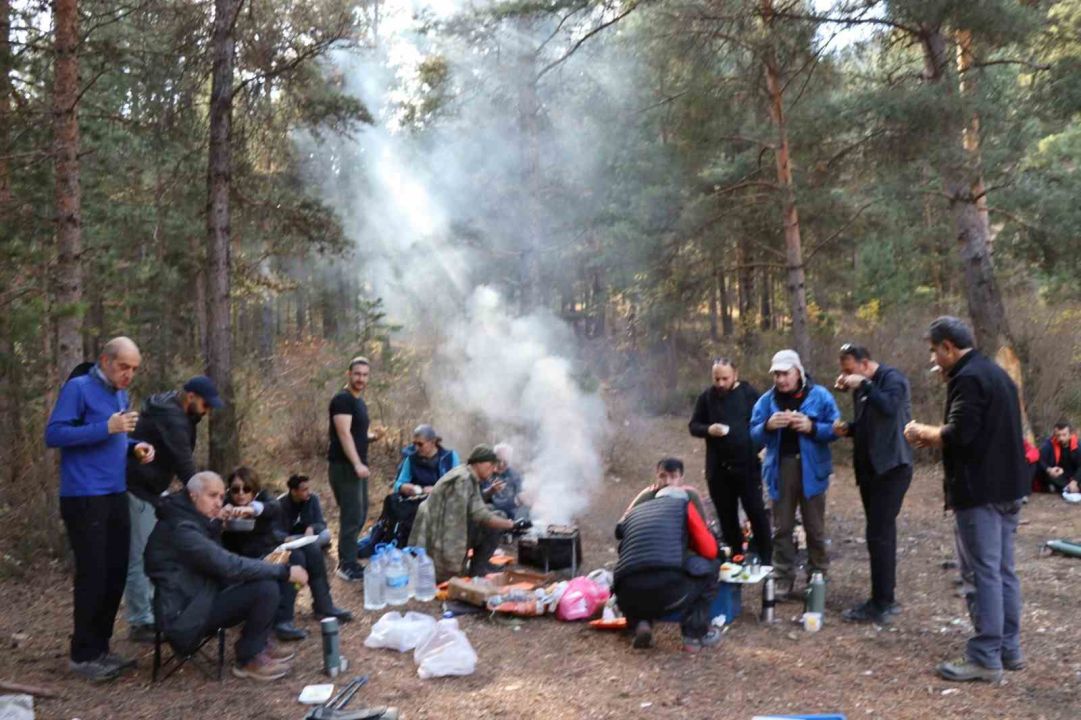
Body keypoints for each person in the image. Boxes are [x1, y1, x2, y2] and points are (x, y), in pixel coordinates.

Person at [904, 316, 1028, 684]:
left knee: (981, 572)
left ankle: (986, 656)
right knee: (1002, 570)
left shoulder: (969, 378)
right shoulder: (996, 373)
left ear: (948, 347)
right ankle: (1008, 648)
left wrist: (922, 431)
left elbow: (960, 433)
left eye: (934, 351)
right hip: (1009, 487)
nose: (933, 359)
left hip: (980, 491)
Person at [45, 337, 155, 682]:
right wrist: (105, 428)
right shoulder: (78, 388)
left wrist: (134, 446)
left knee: (116, 571)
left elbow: (115, 436)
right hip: (83, 495)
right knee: (92, 573)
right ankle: (82, 655)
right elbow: (55, 434)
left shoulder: (119, 393)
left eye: (134, 369)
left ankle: (101, 648)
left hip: (115, 491)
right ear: (105, 361)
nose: (129, 375)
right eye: (123, 367)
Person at [144, 472, 307, 681]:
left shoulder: (189, 518)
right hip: (184, 614)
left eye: (221, 497)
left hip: (199, 596)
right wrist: (284, 572)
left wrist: (216, 524)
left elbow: (216, 563)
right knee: (265, 588)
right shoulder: (182, 529)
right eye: (212, 496)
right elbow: (227, 565)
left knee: (264, 580)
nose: (218, 503)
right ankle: (249, 659)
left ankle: (258, 645)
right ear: (193, 495)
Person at [123, 375, 223, 643]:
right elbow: (184, 465)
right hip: (137, 490)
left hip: (154, 491)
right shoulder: (173, 418)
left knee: (158, 553)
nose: (207, 411)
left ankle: (158, 613)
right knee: (139, 556)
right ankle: (140, 621)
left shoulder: (175, 410)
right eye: (205, 405)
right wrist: (204, 500)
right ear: (190, 396)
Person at [221, 467, 352, 643]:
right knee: (296, 558)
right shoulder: (225, 505)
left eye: (246, 489)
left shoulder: (262, 499)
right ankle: (283, 620)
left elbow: (274, 507)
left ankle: (323, 605)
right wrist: (225, 514)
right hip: (246, 559)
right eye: (236, 489)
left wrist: (252, 509)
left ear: (254, 489)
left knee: (312, 548)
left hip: (270, 549)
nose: (241, 494)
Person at [831, 344, 913, 624]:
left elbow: (890, 408)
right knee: (877, 533)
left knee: (880, 533)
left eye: (849, 371)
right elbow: (871, 425)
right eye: (844, 372)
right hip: (870, 470)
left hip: (892, 468)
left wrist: (863, 384)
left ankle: (882, 603)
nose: (846, 377)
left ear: (865, 364)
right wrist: (849, 429)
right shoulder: (862, 389)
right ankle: (883, 597)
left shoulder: (892, 379)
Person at [749, 349, 840, 600]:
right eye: (776, 374)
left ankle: (817, 576)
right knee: (782, 527)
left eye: (785, 374)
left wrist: (812, 427)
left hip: (812, 467)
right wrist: (767, 426)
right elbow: (753, 433)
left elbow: (837, 428)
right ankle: (782, 578)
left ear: (798, 372)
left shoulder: (820, 396)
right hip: (781, 468)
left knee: (815, 527)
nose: (780, 379)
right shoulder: (767, 401)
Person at [613, 485, 721, 653]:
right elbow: (710, 550)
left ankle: (640, 623)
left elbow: (624, 549)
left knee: (638, 569)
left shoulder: (635, 512)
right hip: (668, 590)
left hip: (626, 596)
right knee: (711, 566)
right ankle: (693, 634)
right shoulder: (683, 506)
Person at [688, 357, 771, 562]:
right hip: (718, 468)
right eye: (716, 379)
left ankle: (766, 559)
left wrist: (761, 447)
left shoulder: (749, 394)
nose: (720, 383)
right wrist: (709, 429)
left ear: (735, 375)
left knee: (756, 512)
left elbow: (764, 423)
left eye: (725, 378)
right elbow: (694, 426)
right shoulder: (707, 397)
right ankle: (736, 557)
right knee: (726, 517)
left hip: (747, 465)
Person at [408, 444, 529, 581]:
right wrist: (510, 525)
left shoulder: (465, 473)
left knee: (494, 513)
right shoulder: (464, 479)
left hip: (442, 528)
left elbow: (470, 500)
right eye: (491, 465)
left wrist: (490, 491)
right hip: (440, 535)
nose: (494, 469)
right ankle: (473, 570)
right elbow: (480, 515)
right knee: (496, 519)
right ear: (479, 463)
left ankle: (478, 568)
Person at [326, 356, 384, 582]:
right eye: (357, 374)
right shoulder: (342, 400)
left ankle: (350, 558)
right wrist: (357, 463)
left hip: (357, 467)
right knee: (351, 516)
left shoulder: (358, 402)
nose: (361, 378)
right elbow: (343, 434)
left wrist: (372, 436)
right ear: (348, 374)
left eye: (365, 375)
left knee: (360, 513)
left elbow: (356, 433)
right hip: (344, 466)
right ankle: (346, 564)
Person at [623, 457, 710, 524]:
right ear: (657, 476)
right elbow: (623, 522)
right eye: (662, 476)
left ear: (681, 478)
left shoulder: (690, 496)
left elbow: (703, 526)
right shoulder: (648, 495)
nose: (667, 481)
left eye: (673, 476)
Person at [393, 424, 460, 498]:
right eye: (414, 444)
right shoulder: (411, 459)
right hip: (418, 501)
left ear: (432, 442)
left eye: (420, 444)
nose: (416, 448)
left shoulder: (450, 457)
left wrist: (437, 490)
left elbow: (459, 484)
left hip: (444, 500)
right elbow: (398, 484)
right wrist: (402, 487)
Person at [278, 473, 332, 548]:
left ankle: (306, 546)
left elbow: (321, 524)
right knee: (284, 542)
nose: (308, 492)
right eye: (304, 490)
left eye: (308, 489)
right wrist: (285, 538)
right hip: (291, 537)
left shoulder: (313, 499)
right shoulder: (281, 503)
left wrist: (311, 527)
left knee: (326, 534)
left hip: (308, 536)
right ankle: (308, 547)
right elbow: (275, 530)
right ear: (294, 492)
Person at [481, 442, 528, 520]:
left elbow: (522, 496)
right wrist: (491, 491)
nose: (501, 465)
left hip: (512, 517)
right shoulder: (485, 473)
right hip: (490, 516)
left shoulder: (515, 475)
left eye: (505, 462)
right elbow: (481, 500)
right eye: (498, 461)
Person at [1035, 421, 1080, 494]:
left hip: (1075, 475)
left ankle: (1069, 487)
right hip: (1059, 474)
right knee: (1048, 474)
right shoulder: (1049, 444)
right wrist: (1049, 469)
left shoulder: (1078, 446)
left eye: (1064, 435)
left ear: (1070, 434)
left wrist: (1074, 481)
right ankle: (1067, 488)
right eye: (1058, 435)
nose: (1061, 438)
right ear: (1055, 435)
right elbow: (1040, 459)